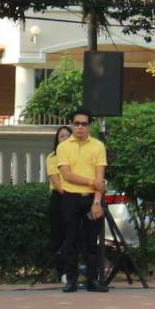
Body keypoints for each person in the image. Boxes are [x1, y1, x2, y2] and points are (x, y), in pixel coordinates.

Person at [55, 109, 108, 293]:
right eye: (76, 123)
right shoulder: (63, 147)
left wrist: (96, 202)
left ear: (89, 126)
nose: (79, 127)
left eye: (84, 124)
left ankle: (92, 281)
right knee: (70, 240)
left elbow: (100, 176)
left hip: (90, 199)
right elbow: (67, 175)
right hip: (70, 198)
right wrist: (90, 182)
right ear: (71, 124)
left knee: (91, 241)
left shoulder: (98, 146)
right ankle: (71, 280)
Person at [45, 126, 72, 264]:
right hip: (61, 198)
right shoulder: (52, 157)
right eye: (62, 136)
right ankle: (61, 271)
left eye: (68, 135)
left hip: (76, 197)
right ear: (57, 139)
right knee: (59, 235)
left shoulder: (77, 155)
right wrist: (70, 195)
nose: (65, 138)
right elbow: (56, 182)